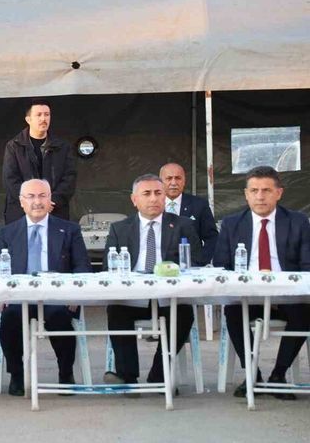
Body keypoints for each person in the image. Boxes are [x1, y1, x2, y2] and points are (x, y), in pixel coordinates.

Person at [213, 166, 310, 400]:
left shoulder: (298, 221)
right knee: (233, 312)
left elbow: (307, 264)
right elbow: (221, 265)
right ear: (246, 194)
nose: (260, 196)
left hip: (288, 295)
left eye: (266, 190)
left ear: (279, 193)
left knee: (305, 313)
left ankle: (279, 374)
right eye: (254, 190)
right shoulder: (232, 223)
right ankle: (252, 374)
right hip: (249, 295)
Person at [103, 174, 203, 390]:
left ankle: (159, 375)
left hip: (169, 295)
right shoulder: (119, 228)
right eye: (146, 193)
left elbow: (196, 261)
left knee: (184, 313)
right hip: (132, 296)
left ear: (165, 196)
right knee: (116, 311)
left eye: (158, 193)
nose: (153, 198)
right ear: (134, 199)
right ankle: (127, 377)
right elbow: (107, 267)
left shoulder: (183, 225)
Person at [0, 179, 91, 396]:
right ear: (21, 202)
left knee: (60, 316)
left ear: (50, 200)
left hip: (57, 297)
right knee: (10, 318)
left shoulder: (69, 230)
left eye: (42, 196)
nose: (37, 202)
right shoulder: (7, 233)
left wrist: (74, 294)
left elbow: (82, 266)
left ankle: (65, 373)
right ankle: (17, 374)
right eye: (31, 197)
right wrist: (1, 294)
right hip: (20, 297)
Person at [2, 99, 76, 223]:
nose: (43, 119)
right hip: (22, 215)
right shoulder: (14, 146)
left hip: (55, 212)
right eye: (39, 115)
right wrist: (32, 202)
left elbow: (69, 178)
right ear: (28, 119)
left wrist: (51, 201)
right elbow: (10, 180)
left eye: (47, 114)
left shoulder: (62, 147)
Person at [159, 162, 219, 264]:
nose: (173, 183)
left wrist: (202, 261)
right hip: (159, 265)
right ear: (160, 182)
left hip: (191, 265)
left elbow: (212, 237)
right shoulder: (153, 205)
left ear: (184, 181)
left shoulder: (199, 205)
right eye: (169, 178)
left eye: (178, 178)